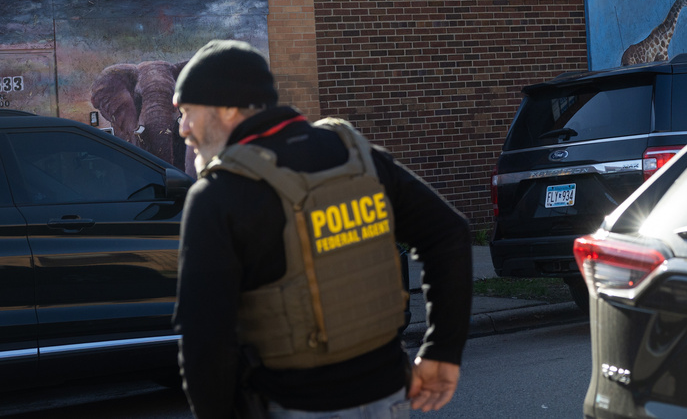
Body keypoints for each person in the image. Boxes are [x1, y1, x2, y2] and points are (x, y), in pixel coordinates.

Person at [171, 39, 472, 419]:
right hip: (391, 398)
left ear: (229, 108)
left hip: (296, 406)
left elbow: (205, 344)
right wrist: (443, 351)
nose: (182, 128)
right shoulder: (356, 156)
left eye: (186, 111)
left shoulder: (218, 194)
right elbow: (450, 234)